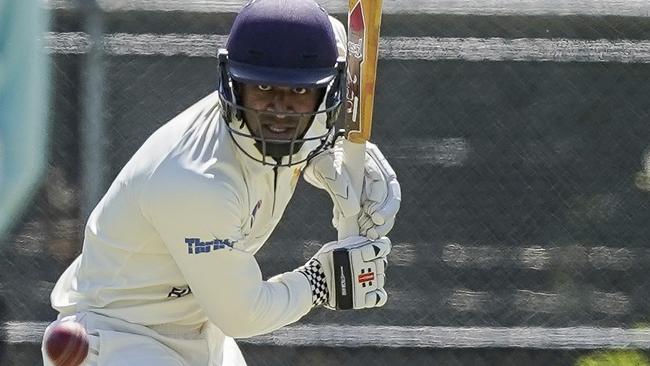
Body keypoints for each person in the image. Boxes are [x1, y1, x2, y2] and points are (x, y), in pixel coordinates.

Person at [41, 0, 401, 364]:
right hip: (122, 336)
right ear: (234, 83)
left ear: (328, 88)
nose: (279, 108)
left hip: (201, 330)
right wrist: (323, 280)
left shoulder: (322, 55)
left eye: (299, 91)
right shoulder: (197, 181)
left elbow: (336, 43)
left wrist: (329, 158)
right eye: (263, 87)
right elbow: (242, 314)